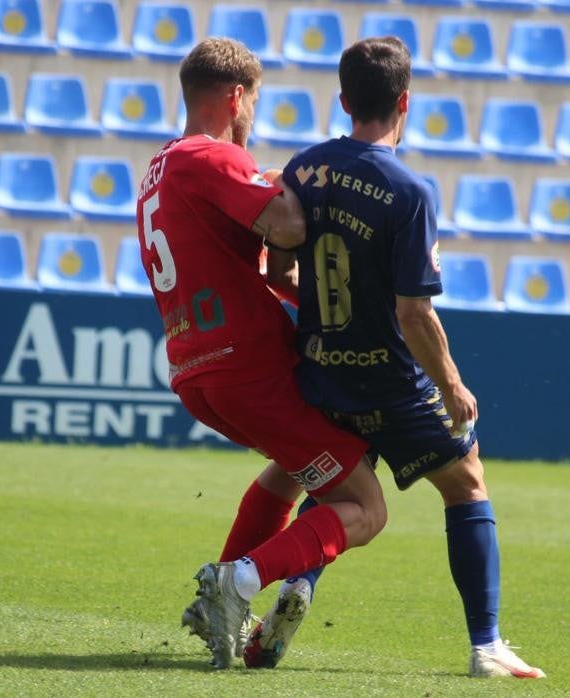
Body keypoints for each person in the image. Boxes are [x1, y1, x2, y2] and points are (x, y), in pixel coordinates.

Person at [245, 36, 546, 679]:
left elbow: (282, 267)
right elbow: (415, 314)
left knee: (332, 486)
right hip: (390, 381)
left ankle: (298, 585)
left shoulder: (302, 170)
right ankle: (485, 645)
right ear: (404, 101)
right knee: (466, 485)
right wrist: (453, 384)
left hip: (321, 375)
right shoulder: (408, 190)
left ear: (344, 100)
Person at [135, 37, 388, 670]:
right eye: (254, 103)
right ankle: (239, 582)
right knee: (362, 506)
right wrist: (289, 185)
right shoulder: (211, 156)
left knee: (293, 467)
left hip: (197, 370)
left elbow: (260, 267)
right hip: (248, 366)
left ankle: (218, 597)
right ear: (236, 97)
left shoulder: (159, 167)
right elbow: (291, 227)